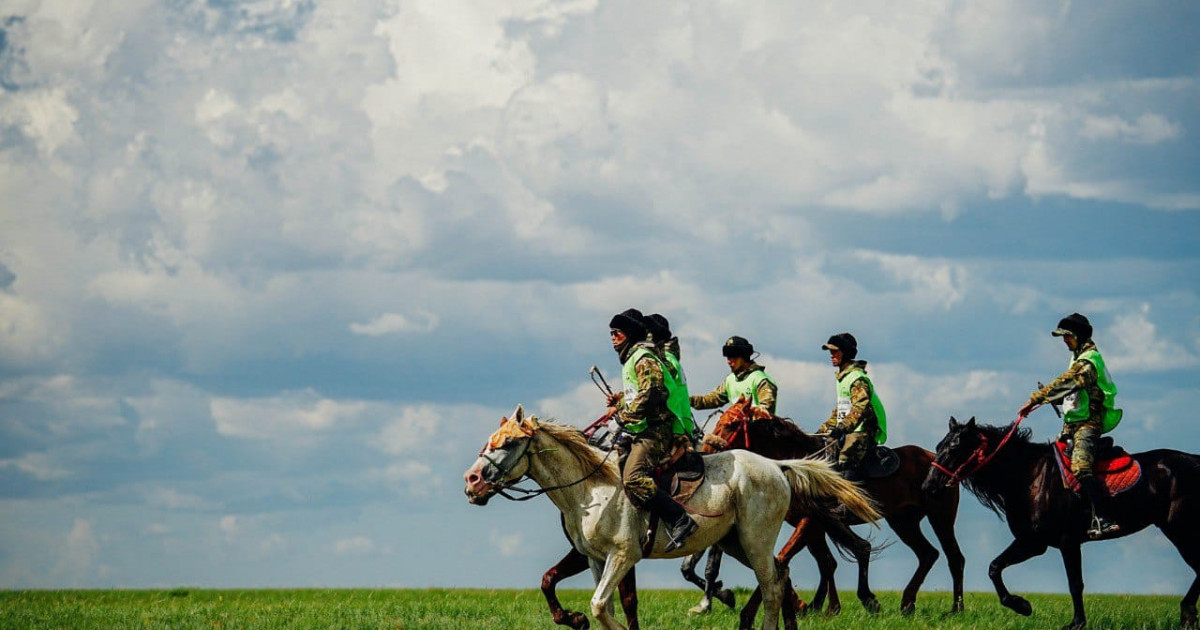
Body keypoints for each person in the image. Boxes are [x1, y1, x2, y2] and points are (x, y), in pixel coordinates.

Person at [1018, 313, 1123, 539]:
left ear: (1078, 336)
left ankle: (1104, 517)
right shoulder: (1077, 358)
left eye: (1066, 336)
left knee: (1080, 467)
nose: (1064, 341)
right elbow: (1075, 392)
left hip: (1088, 424)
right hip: (1072, 425)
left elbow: (1068, 382)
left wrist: (1036, 398)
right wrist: (1057, 400)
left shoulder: (1088, 361)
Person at [607, 308, 698, 552]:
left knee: (633, 478)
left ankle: (680, 519)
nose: (612, 337)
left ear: (628, 335)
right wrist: (620, 404)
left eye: (616, 332)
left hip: (656, 430)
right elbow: (638, 395)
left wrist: (624, 414)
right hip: (641, 427)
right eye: (611, 333)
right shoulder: (633, 359)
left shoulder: (643, 358)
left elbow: (653, 393)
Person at [816, 333, 887, 482]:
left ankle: (849, 503)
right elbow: (841, 410)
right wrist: (822, 430)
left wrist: (842, 428)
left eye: (835, 351)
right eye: (830, 351)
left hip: (862, 430)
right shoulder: (842, 377)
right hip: (849, 428)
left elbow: (860, 408)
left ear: (846, 353)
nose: (831, 355)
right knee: (824, 452)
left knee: (845, 459)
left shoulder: (857, 378)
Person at [690, 336, 779, 417]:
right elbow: (713, 399)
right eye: (728, 357)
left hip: (760, 431)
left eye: (733, 357)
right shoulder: (730, 380)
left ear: (744, 356)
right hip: (737, 429)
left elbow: (765, 411)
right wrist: (689, 400)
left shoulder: (761, 380)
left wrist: (745, 413)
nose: (729, 361)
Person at [642, 314, 697, 441]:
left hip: (675, 427)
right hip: (679, 423)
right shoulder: (669, 358)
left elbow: (653, 390)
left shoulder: (665, 360)